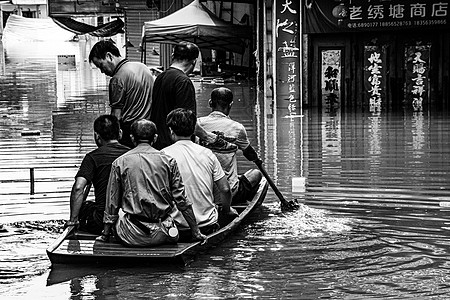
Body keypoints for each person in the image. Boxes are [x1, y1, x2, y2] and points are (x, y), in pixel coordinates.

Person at [96, 119, 206, 246]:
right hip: (165, 232)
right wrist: (196, 231)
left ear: (132, 138)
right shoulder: (168, 161)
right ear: (155, 138)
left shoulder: (120, 162)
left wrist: (105, 235)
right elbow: (182, 200)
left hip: (134, 235)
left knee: (120, 212)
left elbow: (112, 203)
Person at [162, 108, 238, 240]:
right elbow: (225, 189)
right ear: (193, 131)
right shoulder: (207, 154)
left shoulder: (162, 155)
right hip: (207, 225)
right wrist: (227, 211)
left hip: (175, 228)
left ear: (171, 131)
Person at [150, 41, 236, 152]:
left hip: (157, 144)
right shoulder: (183, 81)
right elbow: (188, 122)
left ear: (172, 56)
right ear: (194, 61)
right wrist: (211, 138)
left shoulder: (160, 77)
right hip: (175, 147)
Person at [64, 115, 130, 234]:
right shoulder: (133, 155)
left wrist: (73, 221)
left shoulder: (92, 158)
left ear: (97, 136)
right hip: (130, 220)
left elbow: (78, 188)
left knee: (85, 208)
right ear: (120, 133)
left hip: (100, 221)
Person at [198, 87, 263, 205]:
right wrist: (257, 160)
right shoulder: (237, 128)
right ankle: (242, 203)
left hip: (202, 191)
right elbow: (249, 153)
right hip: (229, 191)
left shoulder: (198, 125)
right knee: (256, 174)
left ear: (210, 103)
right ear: (231, 105)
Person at [89, 40, 154, 148]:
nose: (102, 71)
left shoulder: (117, 79)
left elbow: (116, 116)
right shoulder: (143, 67)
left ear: (109, 56)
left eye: (101, 65)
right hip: (149, 129)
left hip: (129, 133)